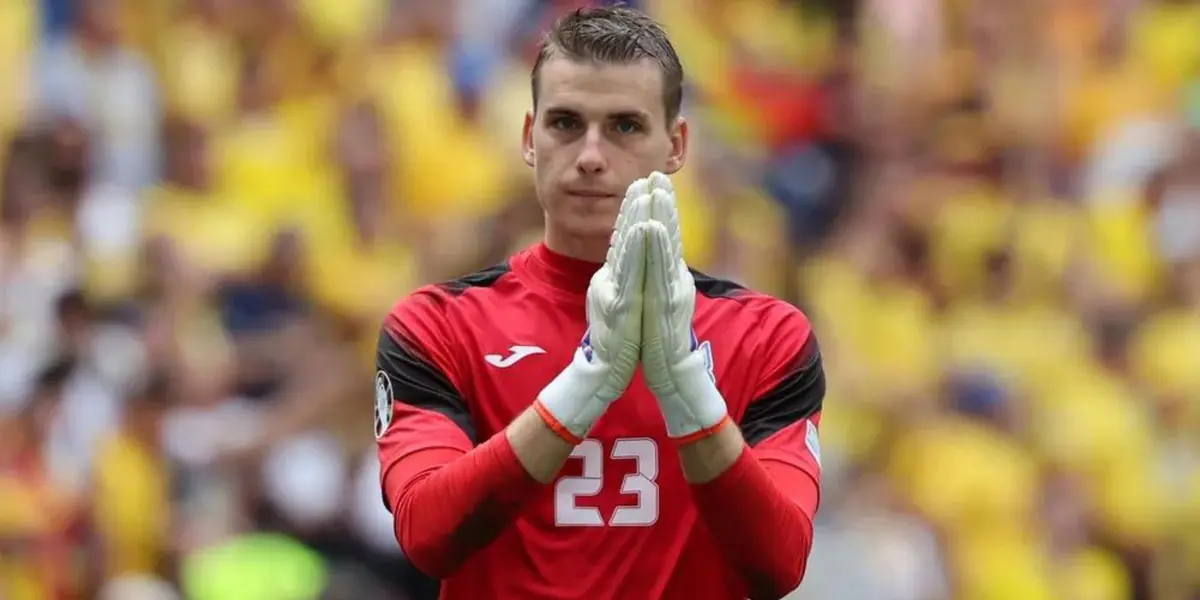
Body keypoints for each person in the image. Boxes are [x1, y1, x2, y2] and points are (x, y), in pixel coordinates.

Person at [374, 7, 825, 600]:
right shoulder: (436, 325)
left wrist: (686, 388)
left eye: (625, 127)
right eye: (565, 123)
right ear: (528, 138)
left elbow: (780, 563)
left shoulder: (768, 337)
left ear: (677, 144)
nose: (590, 154)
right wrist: (589, 380)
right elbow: (427, 533)